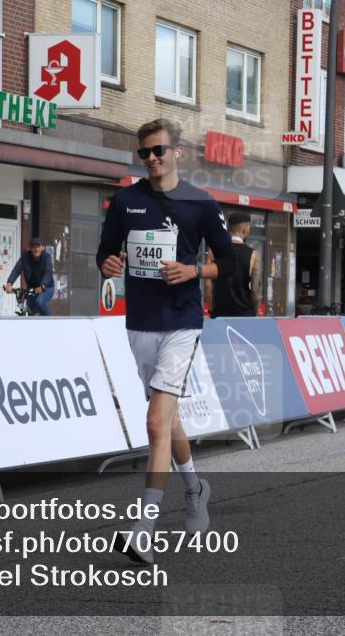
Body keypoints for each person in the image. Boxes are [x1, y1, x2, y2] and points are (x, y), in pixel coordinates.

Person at [96, 118, 235, 565]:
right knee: (168, 420)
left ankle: (145, 527)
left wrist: (194, 271)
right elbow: (104, 253)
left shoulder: (200, 203)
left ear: (178, 152)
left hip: (182, 322)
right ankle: (195, 489)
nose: (152, 159)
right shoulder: (125, 201)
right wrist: (109, 265)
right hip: (139, 322)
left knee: (156, 422)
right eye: (145, 154)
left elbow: (230, 264)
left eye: (159, 151)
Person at [206, 212, 260, 317]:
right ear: (245, 230)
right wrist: (256, 313)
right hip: (245, 314)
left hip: (220, 313)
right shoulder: (253, 255)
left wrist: (212, 309)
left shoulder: (214, 251)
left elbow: (208, 285)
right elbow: (255, 290)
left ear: (229, 228)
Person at [3, 237, 55, 316]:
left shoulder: (46, 257)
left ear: (41, 247)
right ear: (30, 248)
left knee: (39, 301)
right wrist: (9, 283)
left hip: (47, 288)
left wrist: (42, 286)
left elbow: (48, 273)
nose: (36, 249)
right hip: (32, 289)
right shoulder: (25, 257)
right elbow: (17, 269)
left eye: (38, 246)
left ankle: (48, 322)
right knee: (28, 307)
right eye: (33, 247)